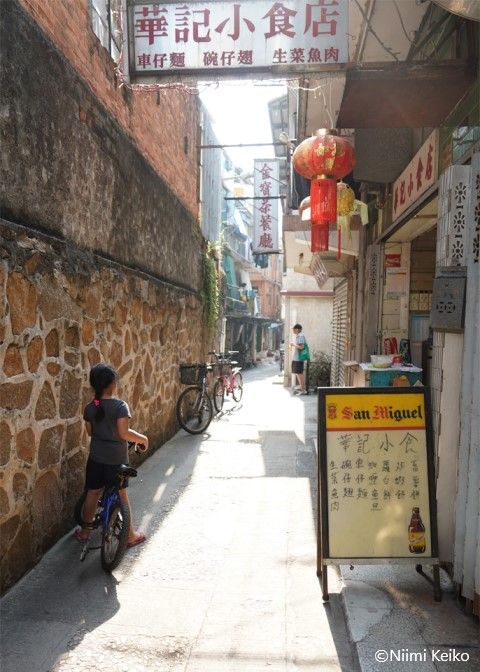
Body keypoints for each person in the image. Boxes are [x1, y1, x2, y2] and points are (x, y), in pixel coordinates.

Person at [74, 363, 148, 548]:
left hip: (96, 459)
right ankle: (130, 536)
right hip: (117, 461)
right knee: (121, 495)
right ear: (112, 384)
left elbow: (90, 432)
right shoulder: (120, 406)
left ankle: (85, 532)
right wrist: (142, 439)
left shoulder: (91, 407)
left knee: (93, 493)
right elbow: (124, 433)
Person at [290, 323, 308, 395]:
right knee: (298, 373)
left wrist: (293, 345)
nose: (293, 331)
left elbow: (302, 347)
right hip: (296, 358)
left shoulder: (301, 336)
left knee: (300, 373)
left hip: (299, 358)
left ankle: (303, 390)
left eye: (293, 329)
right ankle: (302, 388)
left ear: (297, 329)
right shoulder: (298, 336)